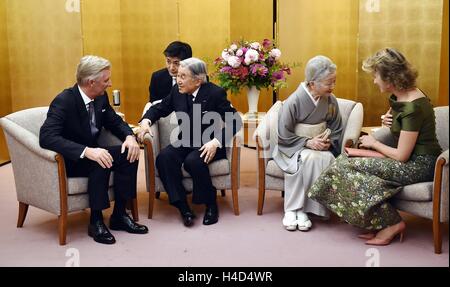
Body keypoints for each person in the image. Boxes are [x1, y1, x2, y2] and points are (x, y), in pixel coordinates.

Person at [308, 48, 442, 245]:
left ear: (389, 77)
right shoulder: (402, 96)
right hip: (411, 159)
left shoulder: (413, 106)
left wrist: (374, 143)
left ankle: (392, 223)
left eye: (376, 76)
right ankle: (378, 221)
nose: (374, 81)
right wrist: (391, 121)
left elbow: (402, 155)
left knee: (345, 167)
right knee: (344, 161)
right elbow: (406, 128)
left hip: (420, 164)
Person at [40, 55, 148, 245]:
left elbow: (114, 122)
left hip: (93, 152)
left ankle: (120, 215)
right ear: (91, 82)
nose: (110, 84)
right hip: (71, 159)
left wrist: (130, 137)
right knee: (100, 159)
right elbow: (47, 136)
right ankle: (96, 221)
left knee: (129, 154)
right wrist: (86, 151)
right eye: (106, 80)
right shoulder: (64, 101)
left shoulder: (99, 98)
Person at [137, 57, 242, 227]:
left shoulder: (215, 93)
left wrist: (216, 142)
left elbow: (235, 121)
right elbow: (159, 108)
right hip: (185, 141)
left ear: (198, 80)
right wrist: (146, 121)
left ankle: (210, 204)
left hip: (209, 144)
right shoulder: (176, 92)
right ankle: (183, 206)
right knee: (164, 158)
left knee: (193, 161)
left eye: (183, 76)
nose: (178, 80)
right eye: (178, 76)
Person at [273, 55, 343, 232]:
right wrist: (307, 142)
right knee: (308, 159)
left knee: (324, 158)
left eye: (334, 82)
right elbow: (283, 134)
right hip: (293, 146)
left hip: (320, 144)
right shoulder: (294, 101)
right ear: (312, 83)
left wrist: (329, 142)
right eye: (329, 83)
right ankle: (294, 209)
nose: (332, 87)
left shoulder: (331, 100)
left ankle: (308, 210)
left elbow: (336, 128)